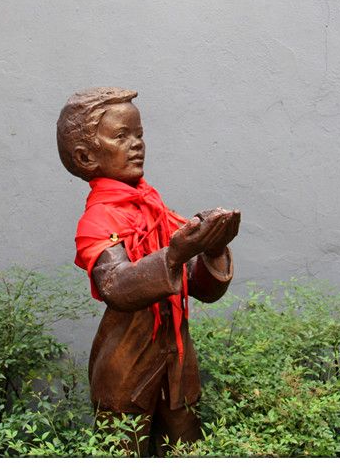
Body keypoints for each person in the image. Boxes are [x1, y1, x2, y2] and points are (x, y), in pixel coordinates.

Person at [56, 87, 240, 456]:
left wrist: (213, 248)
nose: (137, 144)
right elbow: (115, 286)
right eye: (121, 136)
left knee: (186, 452)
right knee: (121, 453)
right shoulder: (98, 219)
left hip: (178, 369)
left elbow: (201, 289)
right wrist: (173, 256)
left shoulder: (153, 209)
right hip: (125, 368)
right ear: (86, 156)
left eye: (139, 134)